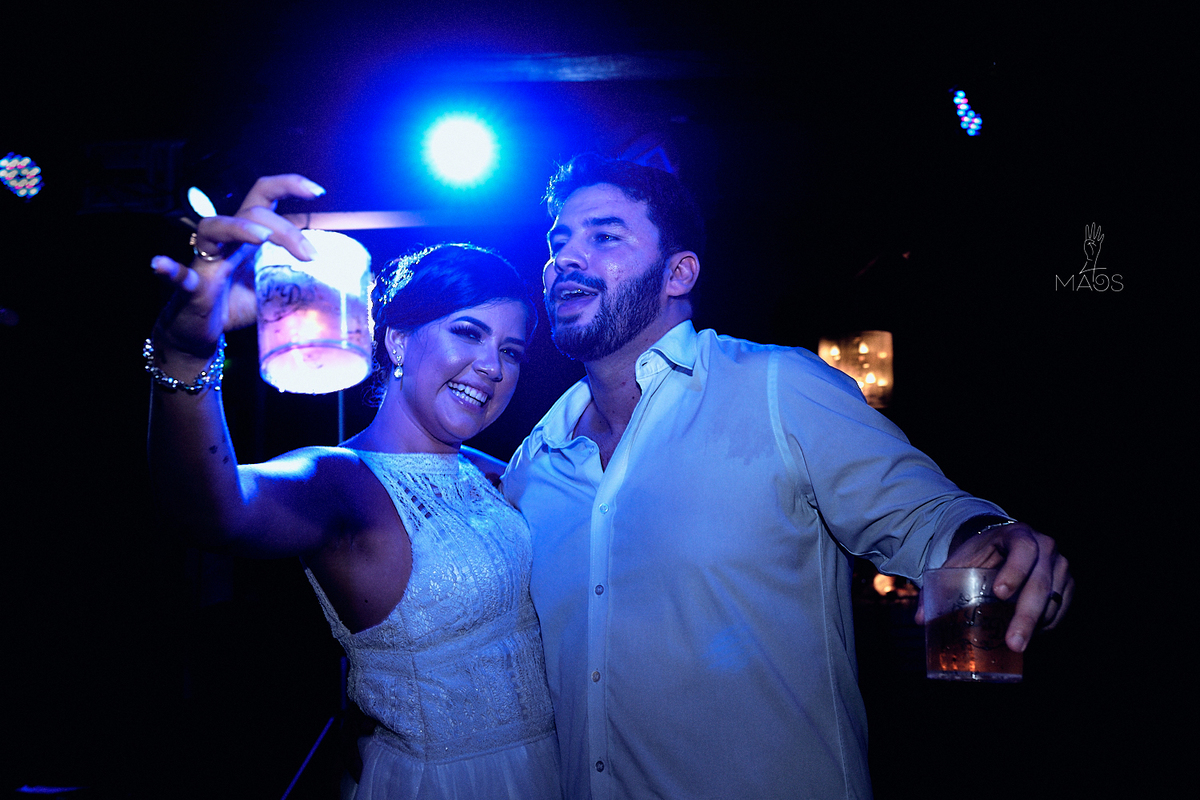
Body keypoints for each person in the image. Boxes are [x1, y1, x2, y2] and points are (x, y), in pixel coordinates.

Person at [500, 154, 1075, 800]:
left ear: (678, 273)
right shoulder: (533, 463)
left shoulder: (779, 386)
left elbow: (927, 517)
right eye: (558, 240)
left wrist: (991, 538)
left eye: (604, 236)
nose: (565, 259)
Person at [146, 175, 561, 800]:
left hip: (552, 773)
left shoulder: (497, 472)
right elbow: (215, 510)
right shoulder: (342, 481)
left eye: (512, 350)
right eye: (468, 333)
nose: (493, 367)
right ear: (395, 339)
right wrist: (183, 352)